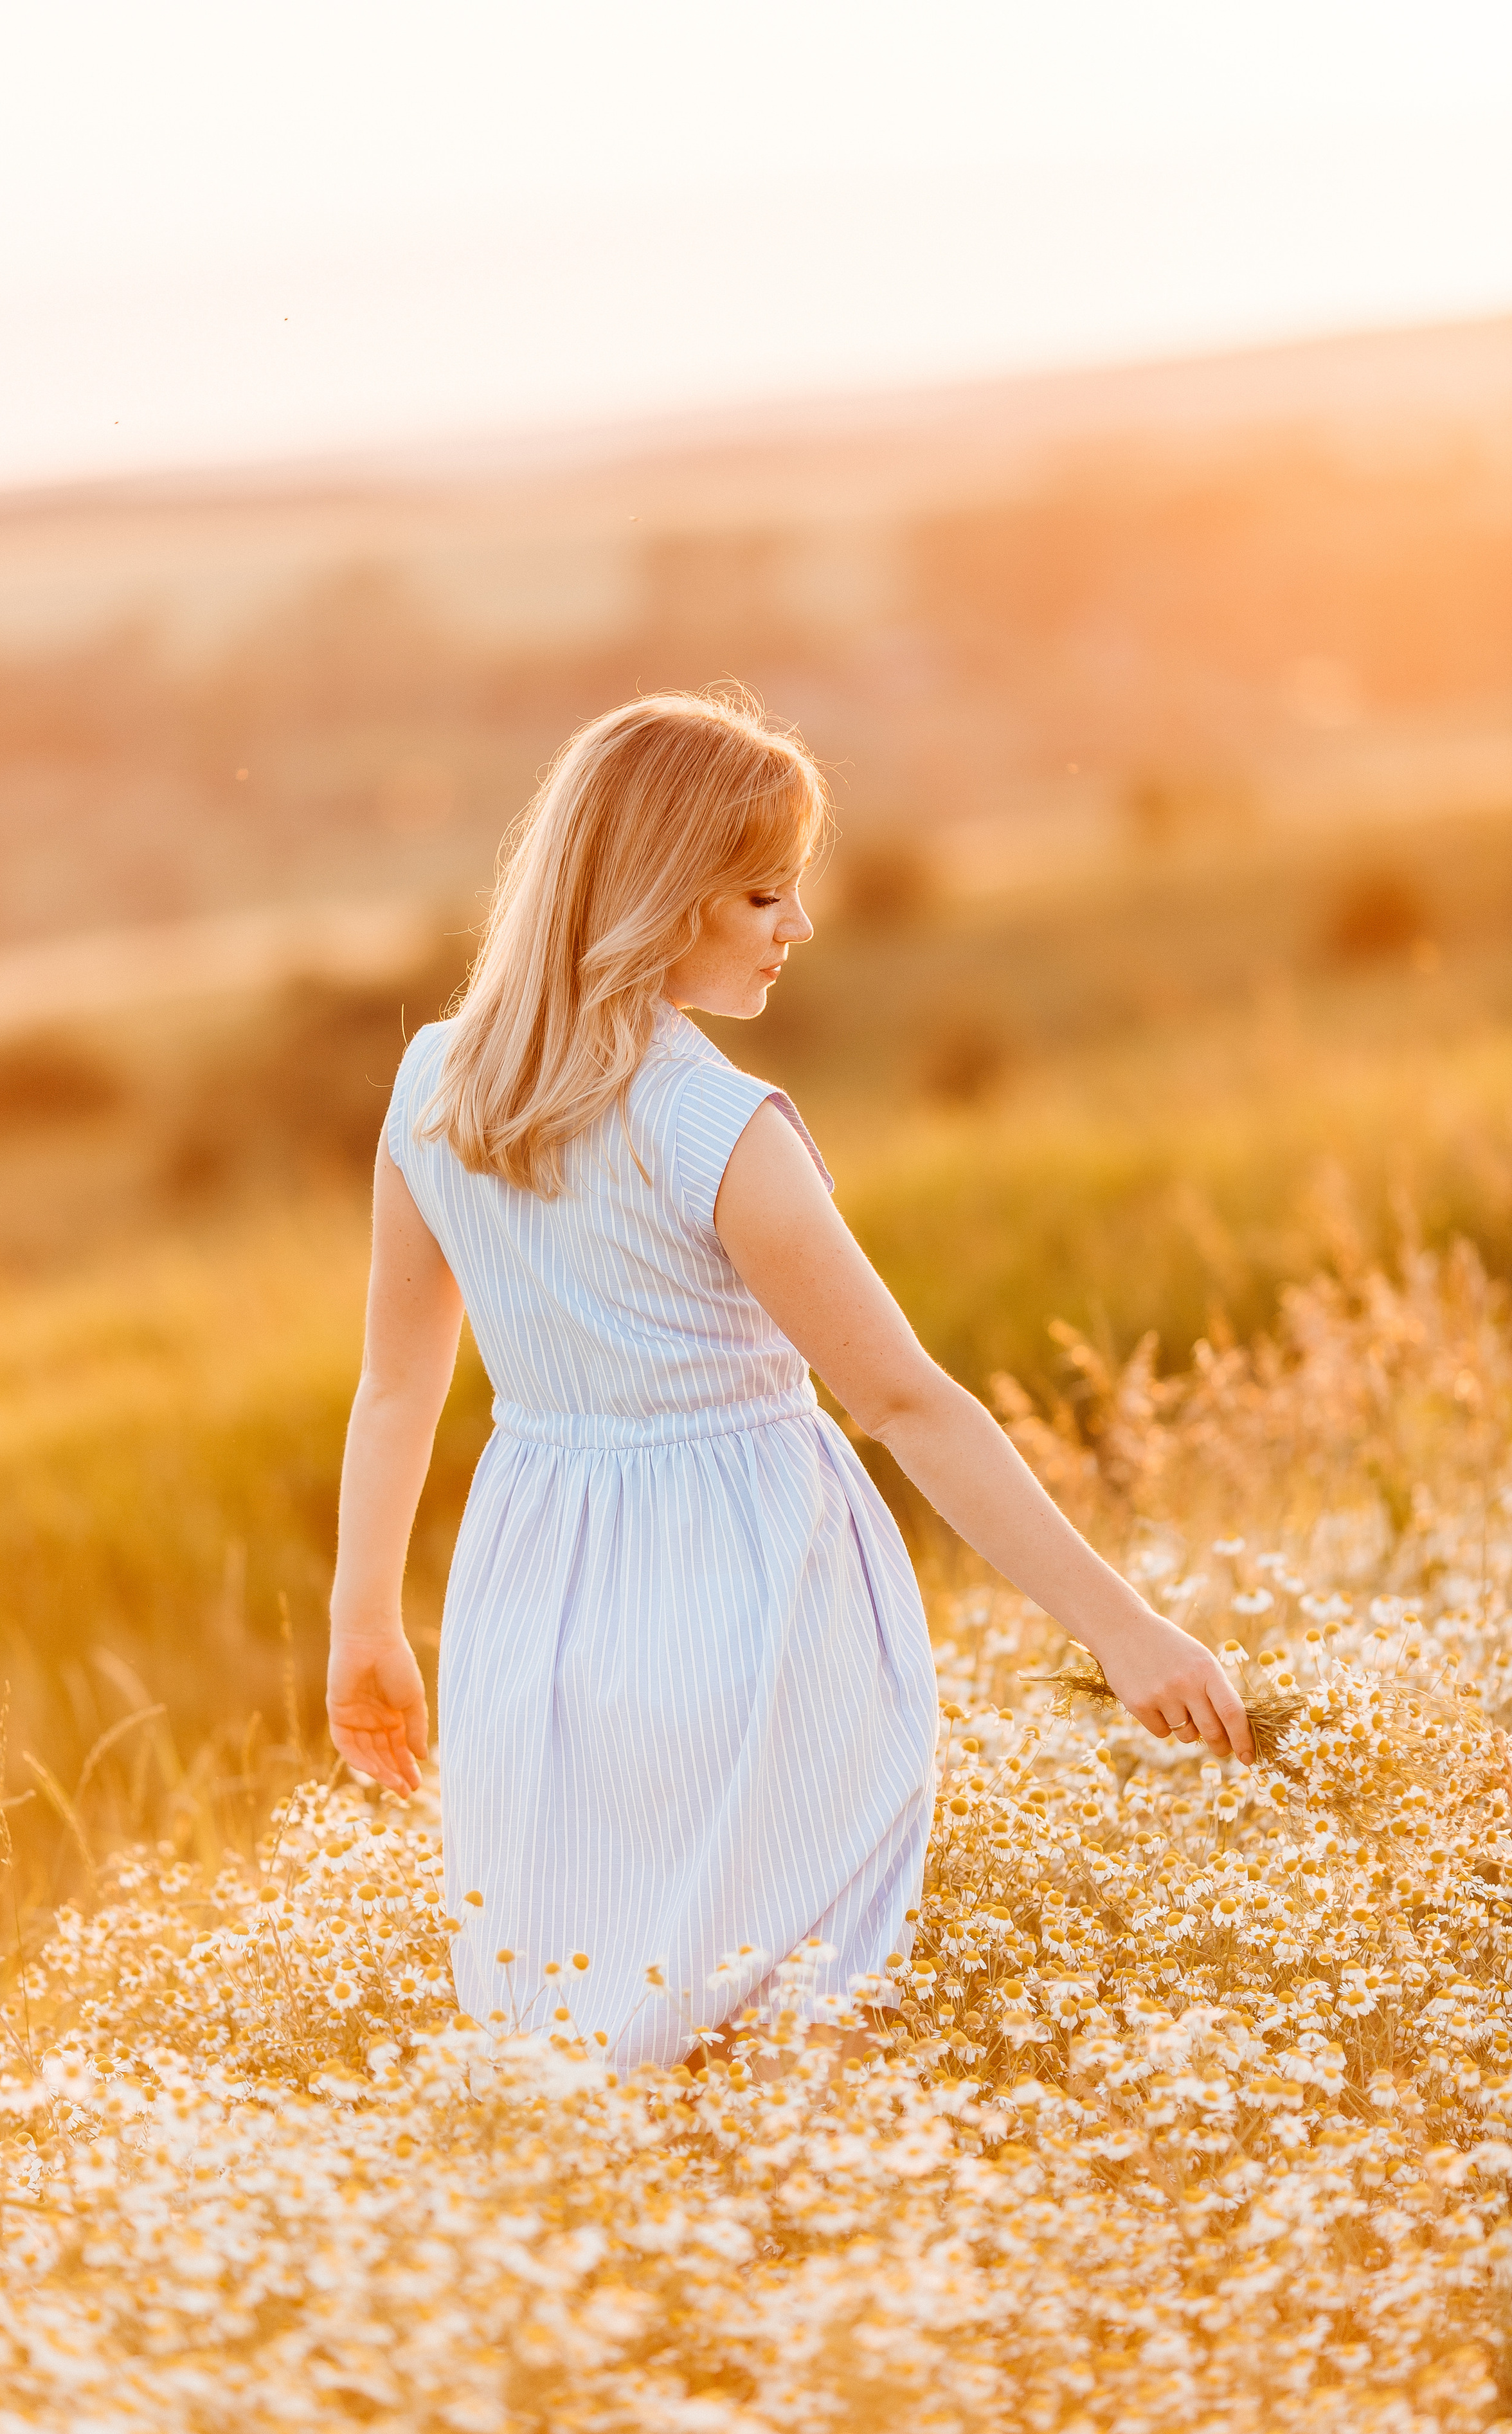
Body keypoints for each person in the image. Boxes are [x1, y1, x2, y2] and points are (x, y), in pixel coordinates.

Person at [328, 690, 1253, 2071]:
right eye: (764, 892)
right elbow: (902, 1405)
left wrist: (363, 1621)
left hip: (533, 1600)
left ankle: (612, 2279)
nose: (796, 927)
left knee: (578, 2024)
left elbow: (398, 1384)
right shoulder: (713, 1125)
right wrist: (1121, 1630)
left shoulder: (432, 1085)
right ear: (663, 895)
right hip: (751, 1587)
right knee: (787, 2020)